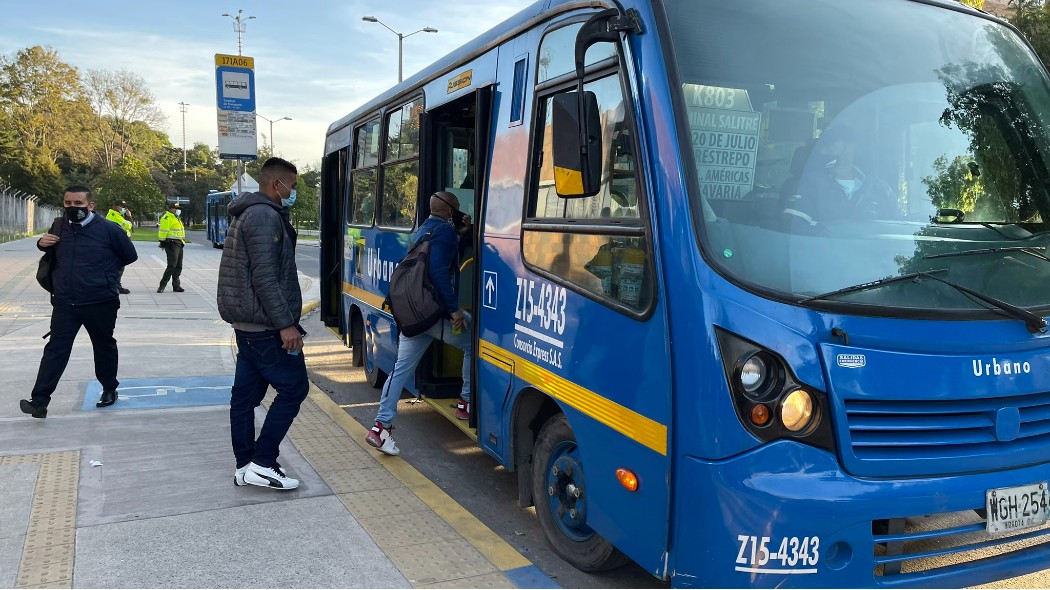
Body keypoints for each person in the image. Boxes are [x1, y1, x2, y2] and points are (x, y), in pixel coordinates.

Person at [217, 157, 306, 490]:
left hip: (248, 325)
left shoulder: (248, 212)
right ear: (276, 184)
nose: (292, 192)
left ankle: (245, 466)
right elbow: (266, 277)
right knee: (295, 388)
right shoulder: (265, 216)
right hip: (266, 326)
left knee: (244, 397)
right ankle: (263, 461)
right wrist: (286, 324)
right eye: (292, 187)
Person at [366, 191, 473, 456]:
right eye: (457, 208)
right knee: (474, 342)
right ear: (449, 211)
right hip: (434, 315)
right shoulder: (445, 233)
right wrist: (454, 310)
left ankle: (380, 427)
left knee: (399, 371)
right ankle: (466, 403)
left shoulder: (421, 230)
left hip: (414, 315)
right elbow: (438, 271)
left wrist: (461, 233)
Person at [19, 186, 138, 419]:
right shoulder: (59, 226)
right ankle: (39, 401)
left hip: (100, 301)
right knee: (55, 350)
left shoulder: (109, 229)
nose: (72, 208)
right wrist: (41, 243)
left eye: (78, 204)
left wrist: (106, 276)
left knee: (103, 346)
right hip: (65, 301)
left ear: (90, 205)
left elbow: (129, 256)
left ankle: (109, 389)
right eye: (68, 203)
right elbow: (49, 252)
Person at [783, 126, 899, 231]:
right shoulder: (808, 185)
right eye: (823, 146)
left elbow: (897, 232)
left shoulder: (880, 189)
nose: (823, 150)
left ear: (851, 147)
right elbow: (794, 230)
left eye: (832, 143)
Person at [105, 200, 133, 294]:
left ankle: (115, 285)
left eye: (124, 207)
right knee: (118, 265)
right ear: (115, 206)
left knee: (120, 265)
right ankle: (115, 286)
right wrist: (129, 217)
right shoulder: (113, 215)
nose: (123, 209)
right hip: (117, 243)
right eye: (121, 207)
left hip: (120, 242)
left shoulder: (117, 215)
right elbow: (127, 226)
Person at [157, 202, 186, 293]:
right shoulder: (167, 218)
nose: (178, 210)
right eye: (176, 208)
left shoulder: (176, 218)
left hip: (179, 242)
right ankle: (162, 285)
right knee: (172, 265)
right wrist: (162, 243)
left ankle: (176, 285)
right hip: (172, 243)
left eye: (178, 209)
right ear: (170, 209)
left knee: (178, 266)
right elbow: (163, 231)